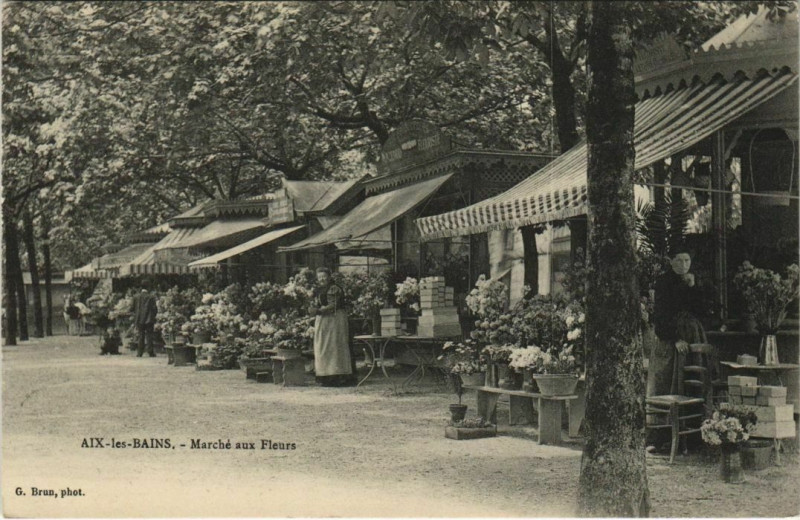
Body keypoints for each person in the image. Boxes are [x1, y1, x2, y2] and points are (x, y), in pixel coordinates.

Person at [648, 248, 707, 398]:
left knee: (693, 377)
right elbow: (660, 315)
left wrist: (693, 287)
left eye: (687, 260)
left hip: (692, 335)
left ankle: (692, 418)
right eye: (680, 260)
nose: (684, 264)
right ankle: (668, 419)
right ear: (672, 261)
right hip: (670, 337)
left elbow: (700, 311)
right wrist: (675, 339)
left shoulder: (691, 279)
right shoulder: (663, 282)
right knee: (669, 379)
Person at [309, 267, 355, 387]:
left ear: (329, 277)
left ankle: (337, 376)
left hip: (335, 320)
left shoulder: (334, 289)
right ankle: (325, 375)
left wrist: (317, 310)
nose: (322, 279)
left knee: (334, 346)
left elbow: (333, 305)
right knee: (323, 347)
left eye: (324, 276)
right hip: (324, 320)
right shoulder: (320, 289)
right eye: (319, 277)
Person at [132, 288, 158, 358]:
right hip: (149, 319)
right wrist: (153, 316)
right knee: (149, 335)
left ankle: (139, 352)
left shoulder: (136, 296)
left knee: (141, 335)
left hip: (139, 318)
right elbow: (155, 308)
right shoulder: (151, 297)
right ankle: (150, 352)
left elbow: (132, 308)